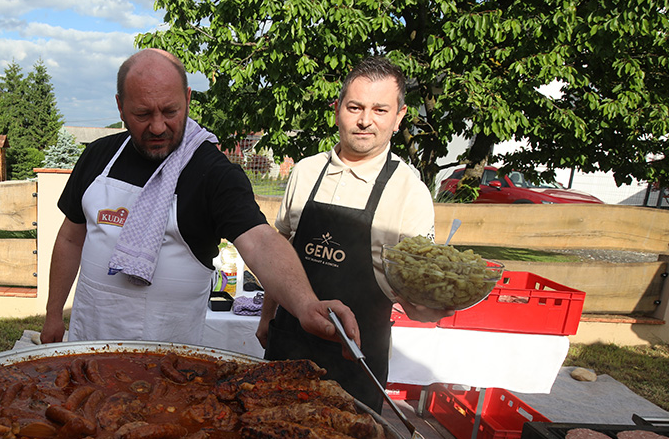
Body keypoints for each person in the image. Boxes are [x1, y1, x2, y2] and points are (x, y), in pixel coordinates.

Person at [41, 48, 359, 351]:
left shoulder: (213, 174)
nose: (157, 126)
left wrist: (305, 303)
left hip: (167, 360)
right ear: (120, 107)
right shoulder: (99, 156)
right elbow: (71, 238)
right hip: (89, 343)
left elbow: (260, 241)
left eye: (170, 111)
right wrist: (54, 312)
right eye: (142, 113)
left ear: (188, 99)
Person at [256, 55, 444, 412]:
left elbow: (417, 291)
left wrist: (430, 306)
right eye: (355, 106)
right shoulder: (306, 172)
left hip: (357, 359)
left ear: (399, 116)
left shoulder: (409, 190)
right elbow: (280, 247)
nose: (364, 121)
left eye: (380, 110)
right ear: (338, 107)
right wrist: (268, 314)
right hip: (289, 343)